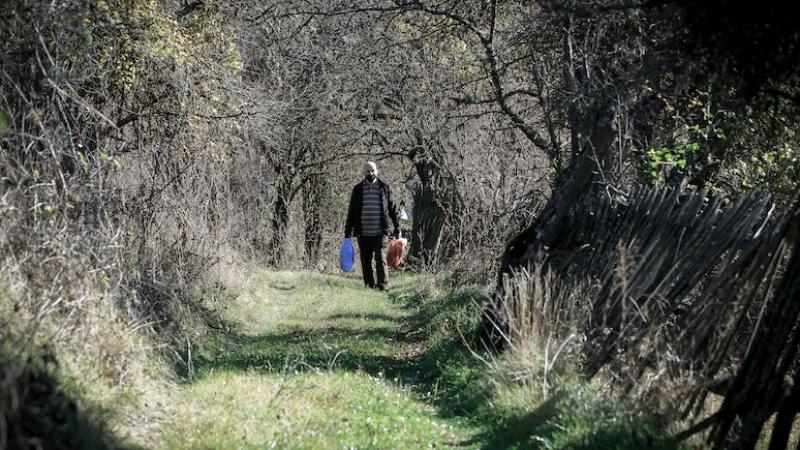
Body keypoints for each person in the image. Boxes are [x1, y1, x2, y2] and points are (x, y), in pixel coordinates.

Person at [344, 161, 401, 291]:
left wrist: (398, 227)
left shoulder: (385, 188)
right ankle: (369, 287)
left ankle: (383, 287)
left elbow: (393, 209)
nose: (371, 173)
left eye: (373, 170)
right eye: (368, 171)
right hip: (362, 232)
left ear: (376, 171)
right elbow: (351, 211)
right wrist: (347, 231)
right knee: (366, 261)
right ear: (364, 172)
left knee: (381, 260)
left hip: (380, 232)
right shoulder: (358, 189)